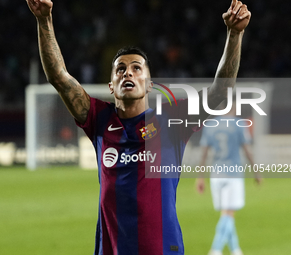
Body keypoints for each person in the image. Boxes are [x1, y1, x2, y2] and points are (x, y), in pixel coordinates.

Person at [26, 0, 252, 254]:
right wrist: (44, 19)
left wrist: (235, 34)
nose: (127, 73)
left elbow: (220, 93)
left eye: (136, 68)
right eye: (120, 69)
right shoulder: (98, 118)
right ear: (111, 85)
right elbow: (58, 76)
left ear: (149, 83)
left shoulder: (173, 121)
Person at [196, 101, 262, 255]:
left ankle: (235, 249)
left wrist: (200, 177)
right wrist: (256, 172)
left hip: (216, 175)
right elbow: (247, 150)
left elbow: (204, 153)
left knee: (226, 213)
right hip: (233, 174)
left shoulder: (210, 125)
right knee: (229, 215)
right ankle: (216, 249)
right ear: (232, 107)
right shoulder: (239, 124)